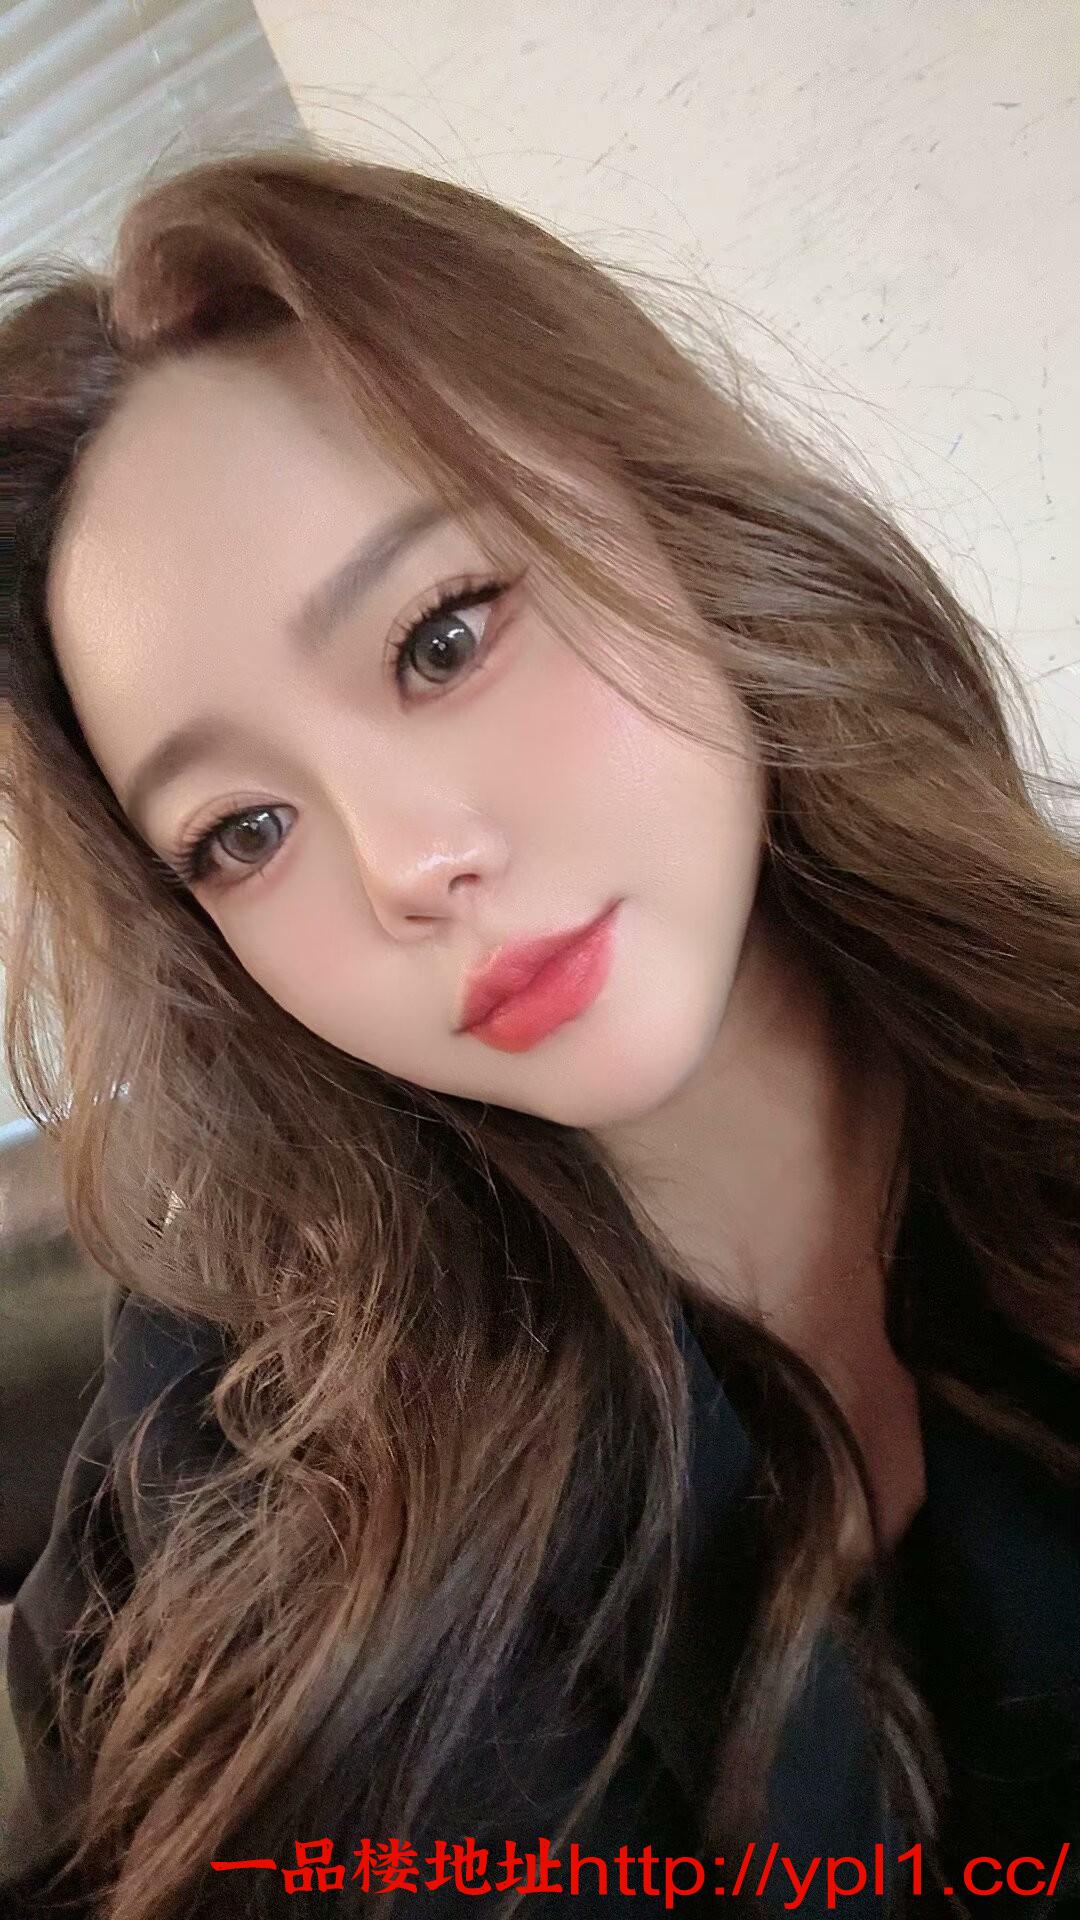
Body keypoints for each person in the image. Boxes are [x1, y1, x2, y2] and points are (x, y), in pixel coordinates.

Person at [0, 140, 1076, 1920]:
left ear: (672, 519)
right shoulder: (238, 1417)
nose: (409, 865)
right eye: (243, 832)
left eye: (441, 640)